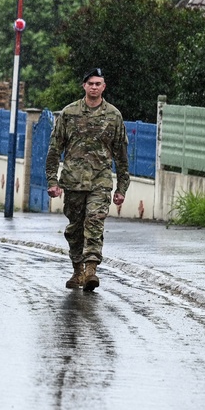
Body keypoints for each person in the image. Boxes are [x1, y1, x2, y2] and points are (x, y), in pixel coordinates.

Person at [45, 67, 129, 292]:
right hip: (73, 182)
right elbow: (54, 149)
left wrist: (122, 187)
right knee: (75, 228)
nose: (94, 87)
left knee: (94, 221)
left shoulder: (113, 115)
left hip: (100, 182)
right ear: (84, 86)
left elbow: (121, 154)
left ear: (104, 87)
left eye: (98, 83)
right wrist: (52, 182)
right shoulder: (69, 113)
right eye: (90, 83)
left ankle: (91, 269)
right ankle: (77, 270)